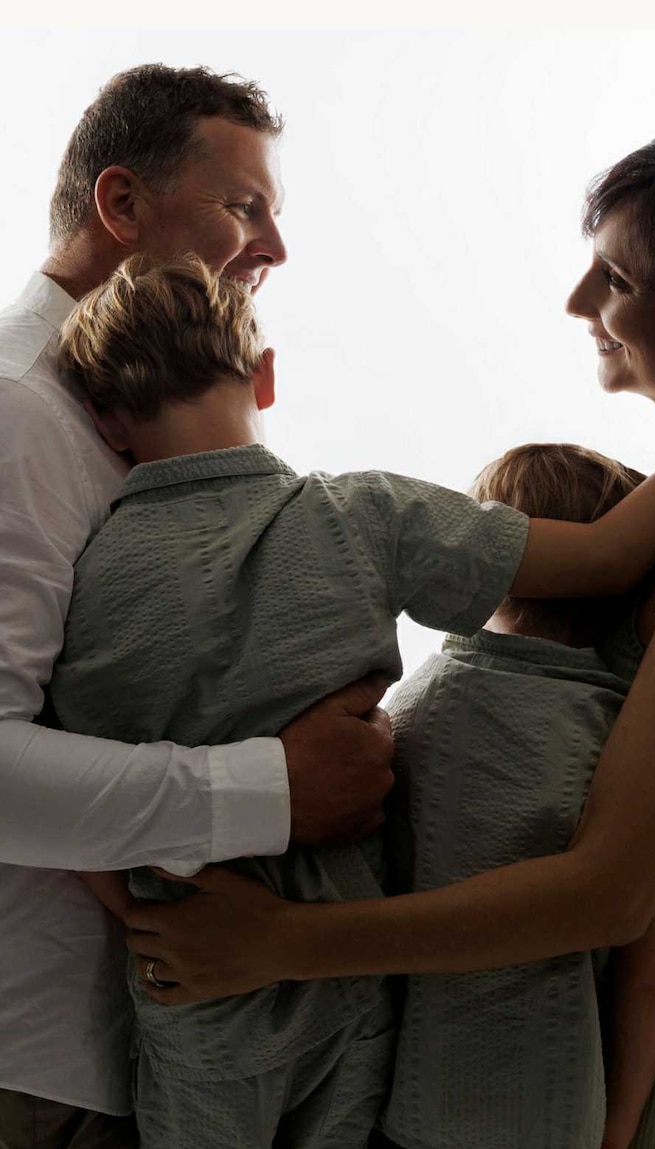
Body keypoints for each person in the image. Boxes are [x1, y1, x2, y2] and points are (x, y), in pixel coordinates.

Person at [128, 131, 655, 1149]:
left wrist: (282, 943)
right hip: (589, 1039)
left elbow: (614, 889)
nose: (574, 303)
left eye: (613, 276)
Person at [0, 64, 395, 1149]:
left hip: (144, 1065)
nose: (272, 248)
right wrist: (277, 787)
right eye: (243, 207)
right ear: (121, 204)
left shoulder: (128, 423)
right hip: (32, 1076)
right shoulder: (16, 416)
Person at [378, 442, 655, 1149]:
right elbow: (651, 975)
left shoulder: (405, 713)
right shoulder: (627, 737)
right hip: (553, 1109)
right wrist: (618, 1132)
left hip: (406, 1096)